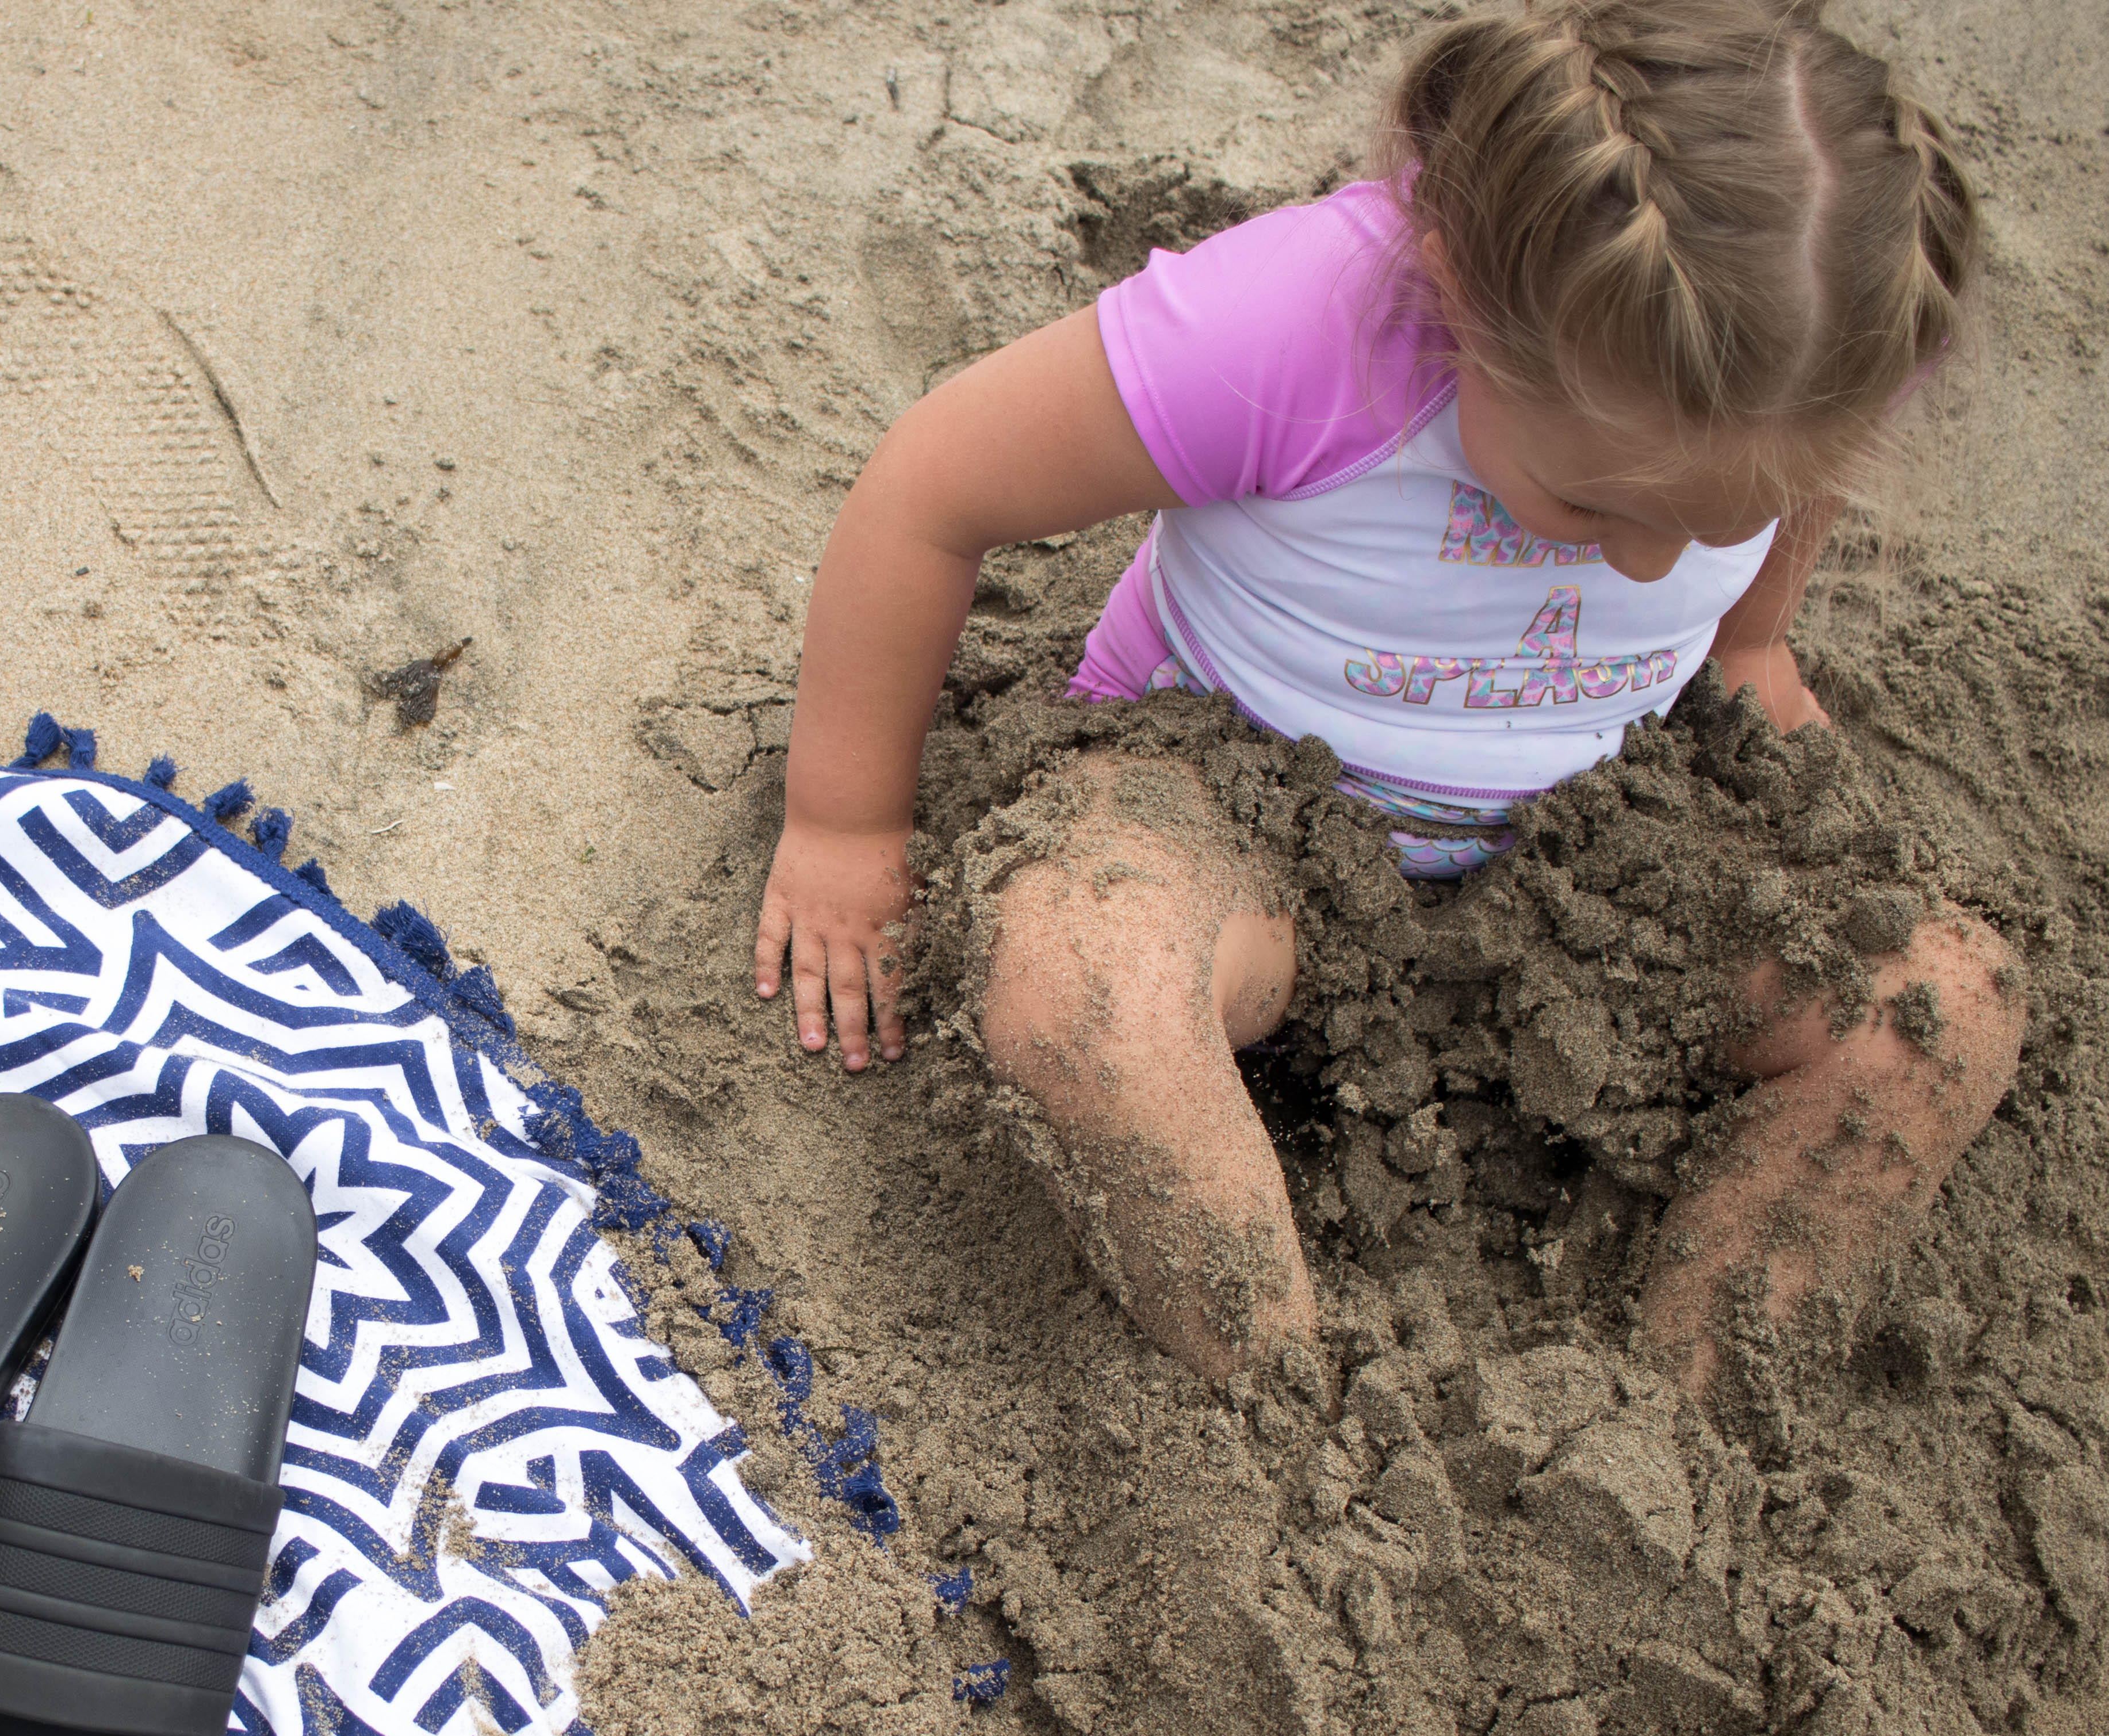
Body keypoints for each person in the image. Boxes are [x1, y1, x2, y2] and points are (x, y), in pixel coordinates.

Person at [750, 0, 2018, 1385]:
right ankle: (1280, 1406)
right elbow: (930, 489)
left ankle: (1689, 1411)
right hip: (1239, 817)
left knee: (1944, 1004)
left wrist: (1756, 657)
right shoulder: (1300, 327)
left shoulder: (1793, 356)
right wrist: (847, 825)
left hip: (1592, 871)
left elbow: (1768, 565)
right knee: (1076, 980)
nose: (1656, 555)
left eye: (1724, 518)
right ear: (1461, 296)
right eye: (1591, 502)